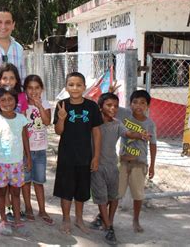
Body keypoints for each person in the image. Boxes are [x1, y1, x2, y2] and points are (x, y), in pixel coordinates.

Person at [89, 93, 150, 245]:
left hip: (112, 166)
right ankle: (109, 227)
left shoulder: (117, 123)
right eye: (109, 105)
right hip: (96, 166)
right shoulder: (93, 123)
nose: (113, 109)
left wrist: (140, 135)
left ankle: (107, 221)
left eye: (116, 106)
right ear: (100, 107)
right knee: (101, 197)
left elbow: (127, 133)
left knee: (114, 197)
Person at [53, 72, 102, 234]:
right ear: (66, 87)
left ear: (84, 87)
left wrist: (96, 157)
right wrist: (61, 118)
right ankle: (66, 218)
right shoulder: (62, 105)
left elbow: (96, 133)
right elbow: (58, 132)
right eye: (71, 84)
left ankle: (79, 219)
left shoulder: (92, 106)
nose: (75, 88)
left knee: (81, 191)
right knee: (66, 190)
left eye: (79, 85)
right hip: (67, 157)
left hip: (85, 157)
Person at [0, 86, 32, 236]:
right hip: (0, 164)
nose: (6, 102)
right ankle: (3, 220)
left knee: (16, 193)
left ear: (16, 101)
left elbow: (25, 138)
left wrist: (28, 157)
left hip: (17, 163)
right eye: (2, 100)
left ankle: (17, 220)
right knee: (1, 193)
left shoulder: (21, 118)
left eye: (10, 99)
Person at [116, 90, 157, 233]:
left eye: (142, 103)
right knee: (116, 192)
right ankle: (104, 217)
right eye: (135, 102)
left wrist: (152, 165)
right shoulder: (124, 114)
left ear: (147, 106)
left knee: (138, 194)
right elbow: (107, 106)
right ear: (130, 104)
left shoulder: (149, 124)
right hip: (122, 162)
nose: (138, 105)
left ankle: (136, 220)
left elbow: (153, 145)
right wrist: (110, 93)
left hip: (140, 163)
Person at [21, 75, 54, 225]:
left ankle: (42, 210)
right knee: (26, 182)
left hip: (40, 151)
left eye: (37, 88)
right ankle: (28, 208)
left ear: (42, 89)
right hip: (24, 151)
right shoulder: (22, 105)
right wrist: (24, 106)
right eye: (30, 88)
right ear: (25, 90)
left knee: (39, 182)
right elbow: (21, 126)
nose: (33, 91)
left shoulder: (46, 104)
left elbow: (47, 122)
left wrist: (39, 105)